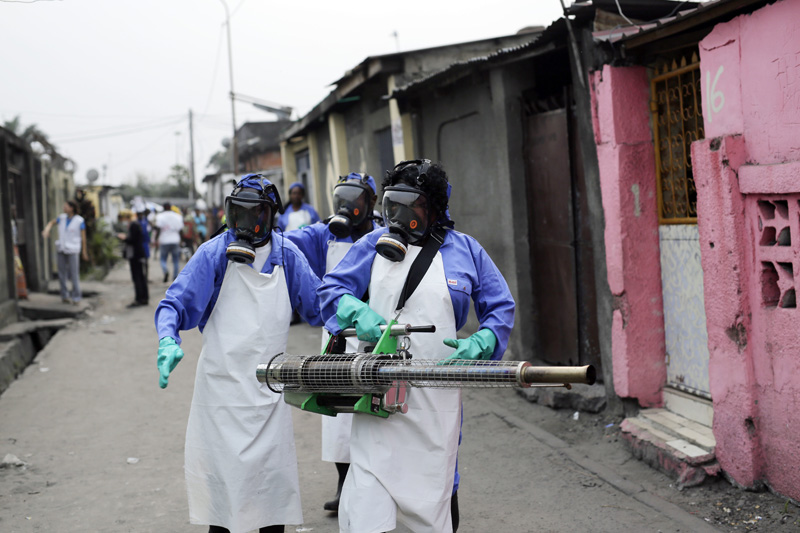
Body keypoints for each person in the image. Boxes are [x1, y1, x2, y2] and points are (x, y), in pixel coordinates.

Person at [318, 159, 515, 533]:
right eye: (392, 204)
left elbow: (500, 306)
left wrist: (484, 339)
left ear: (435, 208)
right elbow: (330, 290)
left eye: (411, 205)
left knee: (430, 500)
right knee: (367, 507)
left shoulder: (466, 251)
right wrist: (354, 310)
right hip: (377, 392)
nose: (398, 214)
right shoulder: (371, 244)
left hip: (436, 396)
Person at [154, 174, 323, 533]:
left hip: (268, 398)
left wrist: (354, 310)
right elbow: (174, 304)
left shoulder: (286, 255)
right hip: (220, 396)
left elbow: (319, 307)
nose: (245, 225)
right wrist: (168, 338)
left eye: (255, 214)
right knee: (223, 509)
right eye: (238, 214)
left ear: (271, 215)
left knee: (269, 504)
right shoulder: (213, 253)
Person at [285, 172, 380, 512]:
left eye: (356, 200)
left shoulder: (385, 233)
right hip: (338, 336)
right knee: (338, 420)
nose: (348, 207)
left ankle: (377, 489)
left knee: (374, 413)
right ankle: (344, 488)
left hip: (375, 334)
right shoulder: (325, 233)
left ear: (370, 202)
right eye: (342, 199)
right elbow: (287, 242)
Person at [42, 200, 89, 304]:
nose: (64, 208)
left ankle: (76, 297)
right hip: (62, 248)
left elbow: (83, 238)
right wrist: (46, 230)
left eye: (66, 206)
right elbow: (51, 223)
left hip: (73, 249)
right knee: (61, 273)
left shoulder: (79, 220)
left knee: (74, 274)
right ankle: (64, 295)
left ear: (72, 208)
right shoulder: (62, 218)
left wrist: (84, 251)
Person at [116, 210, 148, 307]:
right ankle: (143, 298)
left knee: (137, 277)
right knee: (140, 277)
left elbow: (133, 240)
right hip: (137, 254)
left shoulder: (134, 225)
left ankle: (139, 298)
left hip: (136, 255)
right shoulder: (135, 224)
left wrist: (124, 238)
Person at [154, 202, 184, 282]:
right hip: (175, 240)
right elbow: (181, 230)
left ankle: (165, 271)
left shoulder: (160, 216)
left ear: (163, 208)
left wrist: (156, 239)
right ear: (170, 207)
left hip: (164, 240)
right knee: (176, 260)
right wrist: (181, 240)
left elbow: (158, 229)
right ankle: (175, 276)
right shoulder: (177, 216)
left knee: (163, 259)